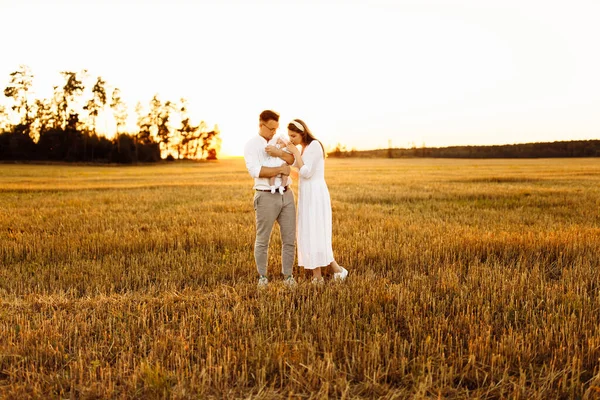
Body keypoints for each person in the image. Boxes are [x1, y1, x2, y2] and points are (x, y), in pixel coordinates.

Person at [282, 118, 349, 284]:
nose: (291, 139)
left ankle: (324, 275)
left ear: (302, 133)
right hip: (307, 194)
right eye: (289, 136)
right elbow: (298, 171)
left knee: (316, 231)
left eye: (293, 136)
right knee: (309, 232)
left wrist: (295, 153)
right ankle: (328, 273)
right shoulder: (304, 148)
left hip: (316, 195)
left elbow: (307, 172)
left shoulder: (314, 146)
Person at [244, 110, 297, 288]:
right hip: (265, 196)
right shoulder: (251, 145)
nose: (274, 132)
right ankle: (262, 277)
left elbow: (292, 159)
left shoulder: (279, 139)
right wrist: (280, 170)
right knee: (263, 239)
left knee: (289, 238)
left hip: (287, 194)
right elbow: (256, 172)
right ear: (261, 125)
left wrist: (279, 154)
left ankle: (288, 276)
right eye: (271, 128)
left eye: (276, 128)